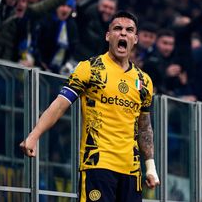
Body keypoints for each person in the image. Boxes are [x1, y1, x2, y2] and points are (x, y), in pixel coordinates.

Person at [20, 11, 160, 201]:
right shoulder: (90, 68)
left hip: (131, 171)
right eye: (117, 29)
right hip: (98, 164)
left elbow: (144, 126)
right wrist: (34, 135)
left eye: (129, 30)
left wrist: (150, 166)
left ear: (135, 39)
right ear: (108, 35)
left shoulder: (144, 80)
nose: (123, 34)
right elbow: (60, 105)